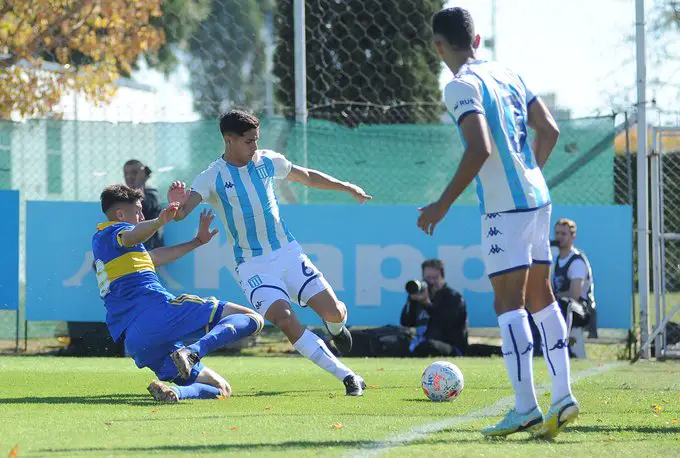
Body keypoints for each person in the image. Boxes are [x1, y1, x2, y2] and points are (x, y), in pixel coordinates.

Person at [417, 7, 578, 439]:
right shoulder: (508, 73)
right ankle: (562, 396)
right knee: (541, 297)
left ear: (438, 47)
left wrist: (441, 204)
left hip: (504, 209)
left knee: (508, 305)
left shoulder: (459, 85)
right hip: (537, 199)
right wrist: (530, 175)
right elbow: (550, 129)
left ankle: (525, 407)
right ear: (477, 39)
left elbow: (480, 148)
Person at [167, 109, 372, 396]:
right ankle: (348, 375)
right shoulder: (211, 176)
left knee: (334, 312)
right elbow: (183, 212)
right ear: (229, 140)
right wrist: (174, 207)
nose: (255, 146)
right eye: (249, 141)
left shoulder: (266, 160)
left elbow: (307, 176)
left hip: (288, 253)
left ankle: (336, 329)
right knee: (284, 317)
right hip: (252, 265)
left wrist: (346, 187)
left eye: (256, 140)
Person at [92, 184, 264, 402]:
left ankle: (175, 392)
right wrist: (159, 221)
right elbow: (131, 235)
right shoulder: (113, 232)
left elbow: (154, 257)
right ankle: (194, 351)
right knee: (253, 318)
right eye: (138, 211)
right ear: (120, 214)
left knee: (221, 388)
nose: (142, 215)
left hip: (137, 340)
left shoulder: (109, 248)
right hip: (158, 314)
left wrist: (197, 242)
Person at [400, 259, 468, 357]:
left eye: (435, 278)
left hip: (450, 345)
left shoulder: (454, 297)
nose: (431, 282)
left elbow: (447, 323)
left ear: (442, 278)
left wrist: (427, 304)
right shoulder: (419, 296)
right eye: (428, 278)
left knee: (428, 346)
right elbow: (405, 323)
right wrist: (411, 301)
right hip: (422, 341)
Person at [553, 218, 597, 341]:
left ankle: (563, 343)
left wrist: (552, 297)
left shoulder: (576, 262)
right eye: (557, 233)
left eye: (563, 234)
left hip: (582, 310)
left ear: (573, 237)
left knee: (563, 303)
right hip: (563, 304)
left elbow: (574, 295)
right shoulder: (556, 260)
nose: (559, 237)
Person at [123, 160, 164, 250]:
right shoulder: (122, 196)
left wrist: (139, 184)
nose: (129, 176)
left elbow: (145, 206)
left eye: (134, 173)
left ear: (143, 175)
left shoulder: (152, 194)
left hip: (149, 250)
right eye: (126, 173)